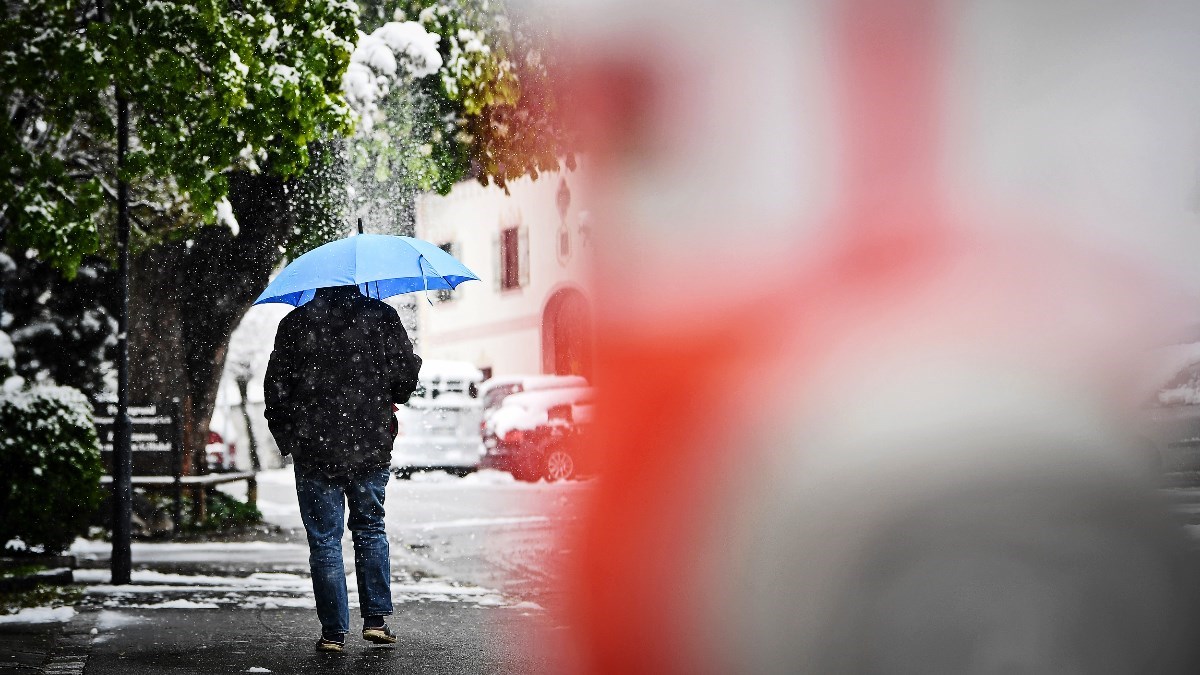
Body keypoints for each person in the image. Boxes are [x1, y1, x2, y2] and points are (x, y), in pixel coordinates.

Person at [264, 284, 422, 653]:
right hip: (369, 445)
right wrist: (403, 369)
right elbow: (403, 384)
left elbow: (276, 391)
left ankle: (333, 633)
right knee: (370, 529)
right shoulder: (382, 317)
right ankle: (376, 620)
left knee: (324, 541)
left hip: (314, 450)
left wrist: (291, 439)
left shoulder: (296, 323)